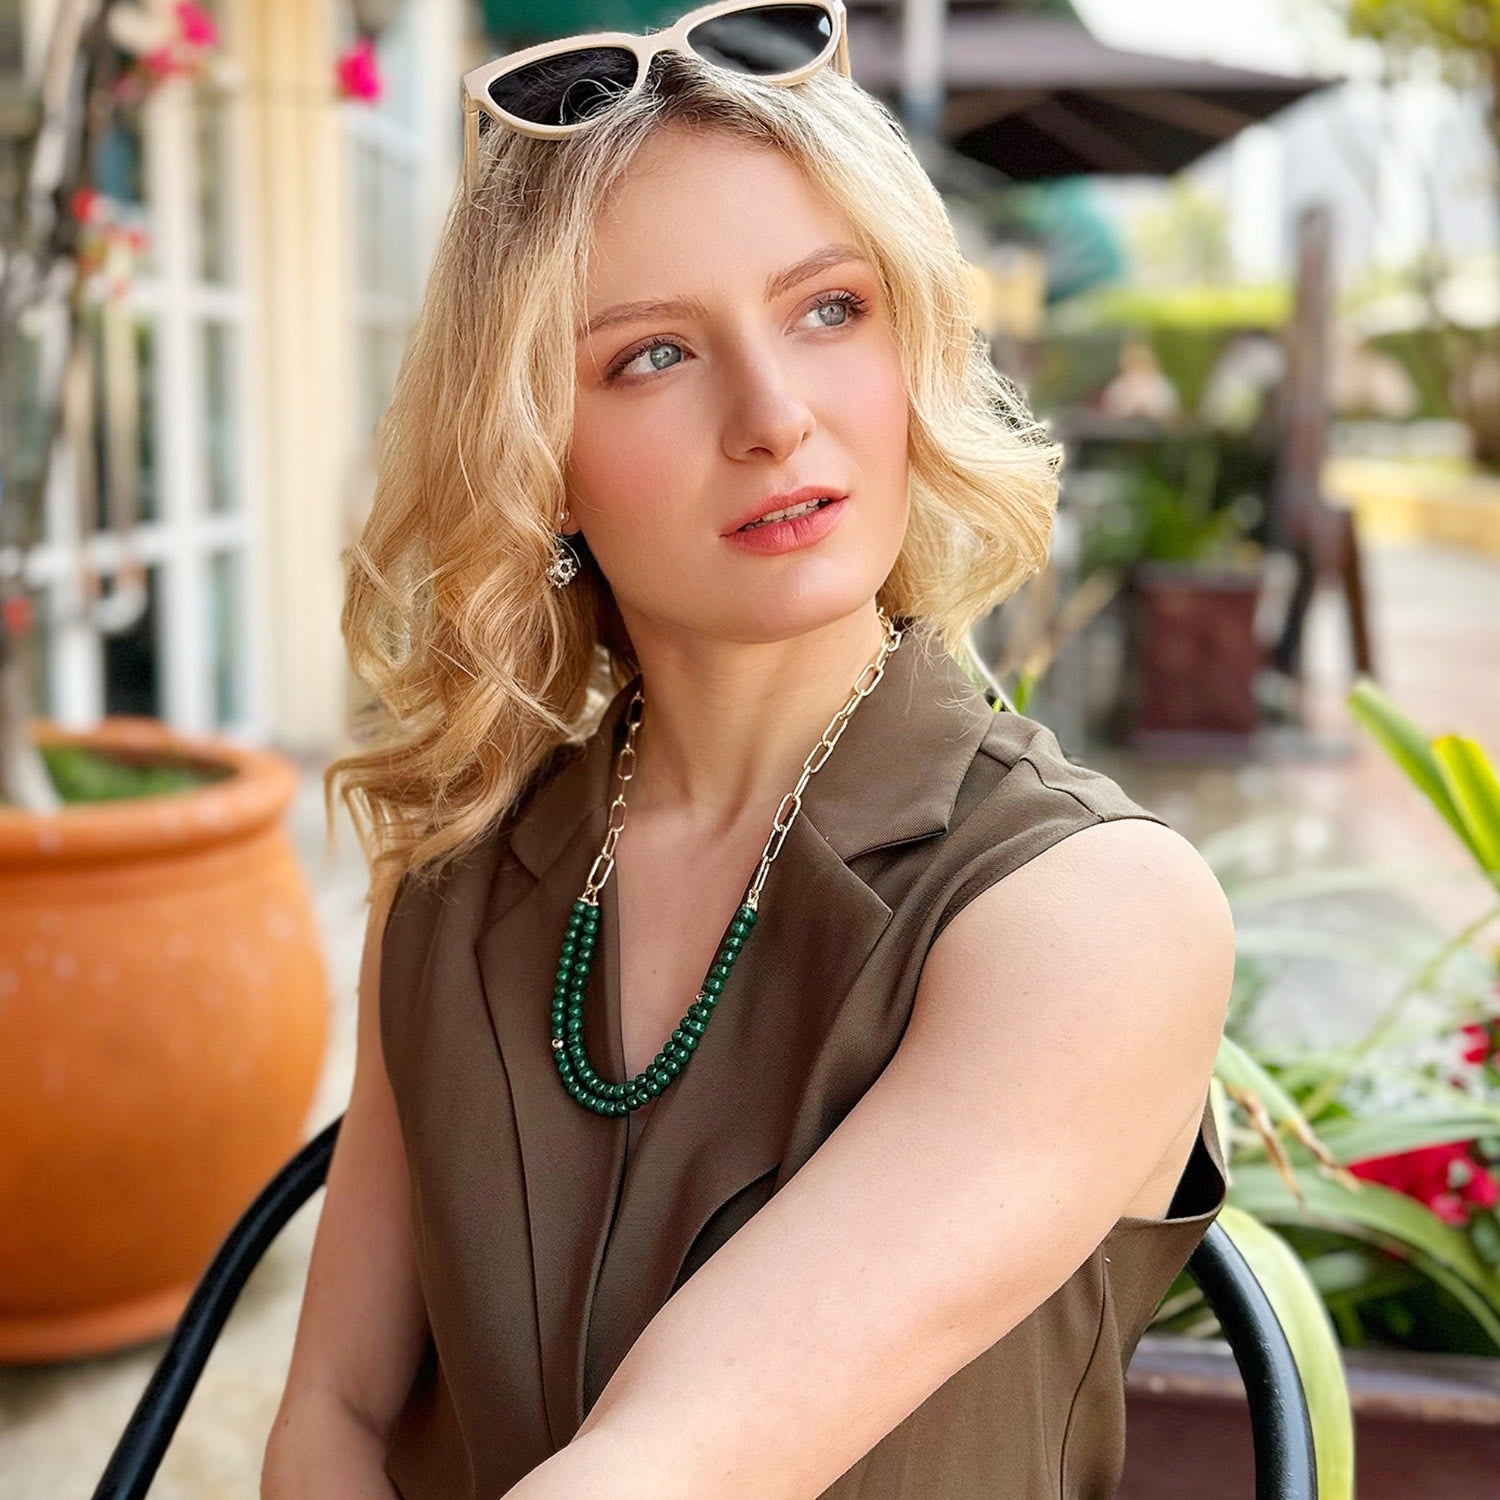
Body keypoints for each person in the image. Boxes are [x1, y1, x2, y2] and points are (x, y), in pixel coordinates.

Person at [262, 5, 1232, 1496]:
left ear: (912, 347)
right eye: (652, 354)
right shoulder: (450, 876)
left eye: (829, 309)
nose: (774, 417)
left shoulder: (1092, 915)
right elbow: (328, 1415)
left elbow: (666, 1465)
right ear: (536, 454)